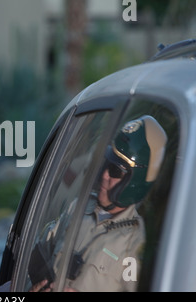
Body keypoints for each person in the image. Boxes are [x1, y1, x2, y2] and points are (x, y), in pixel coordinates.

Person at [29, 115, 167, 292]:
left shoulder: (135, 243)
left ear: (135, 181)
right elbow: (35, 260)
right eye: (107, 163)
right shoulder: (77, 208)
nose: (104, 175)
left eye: (115, 170)